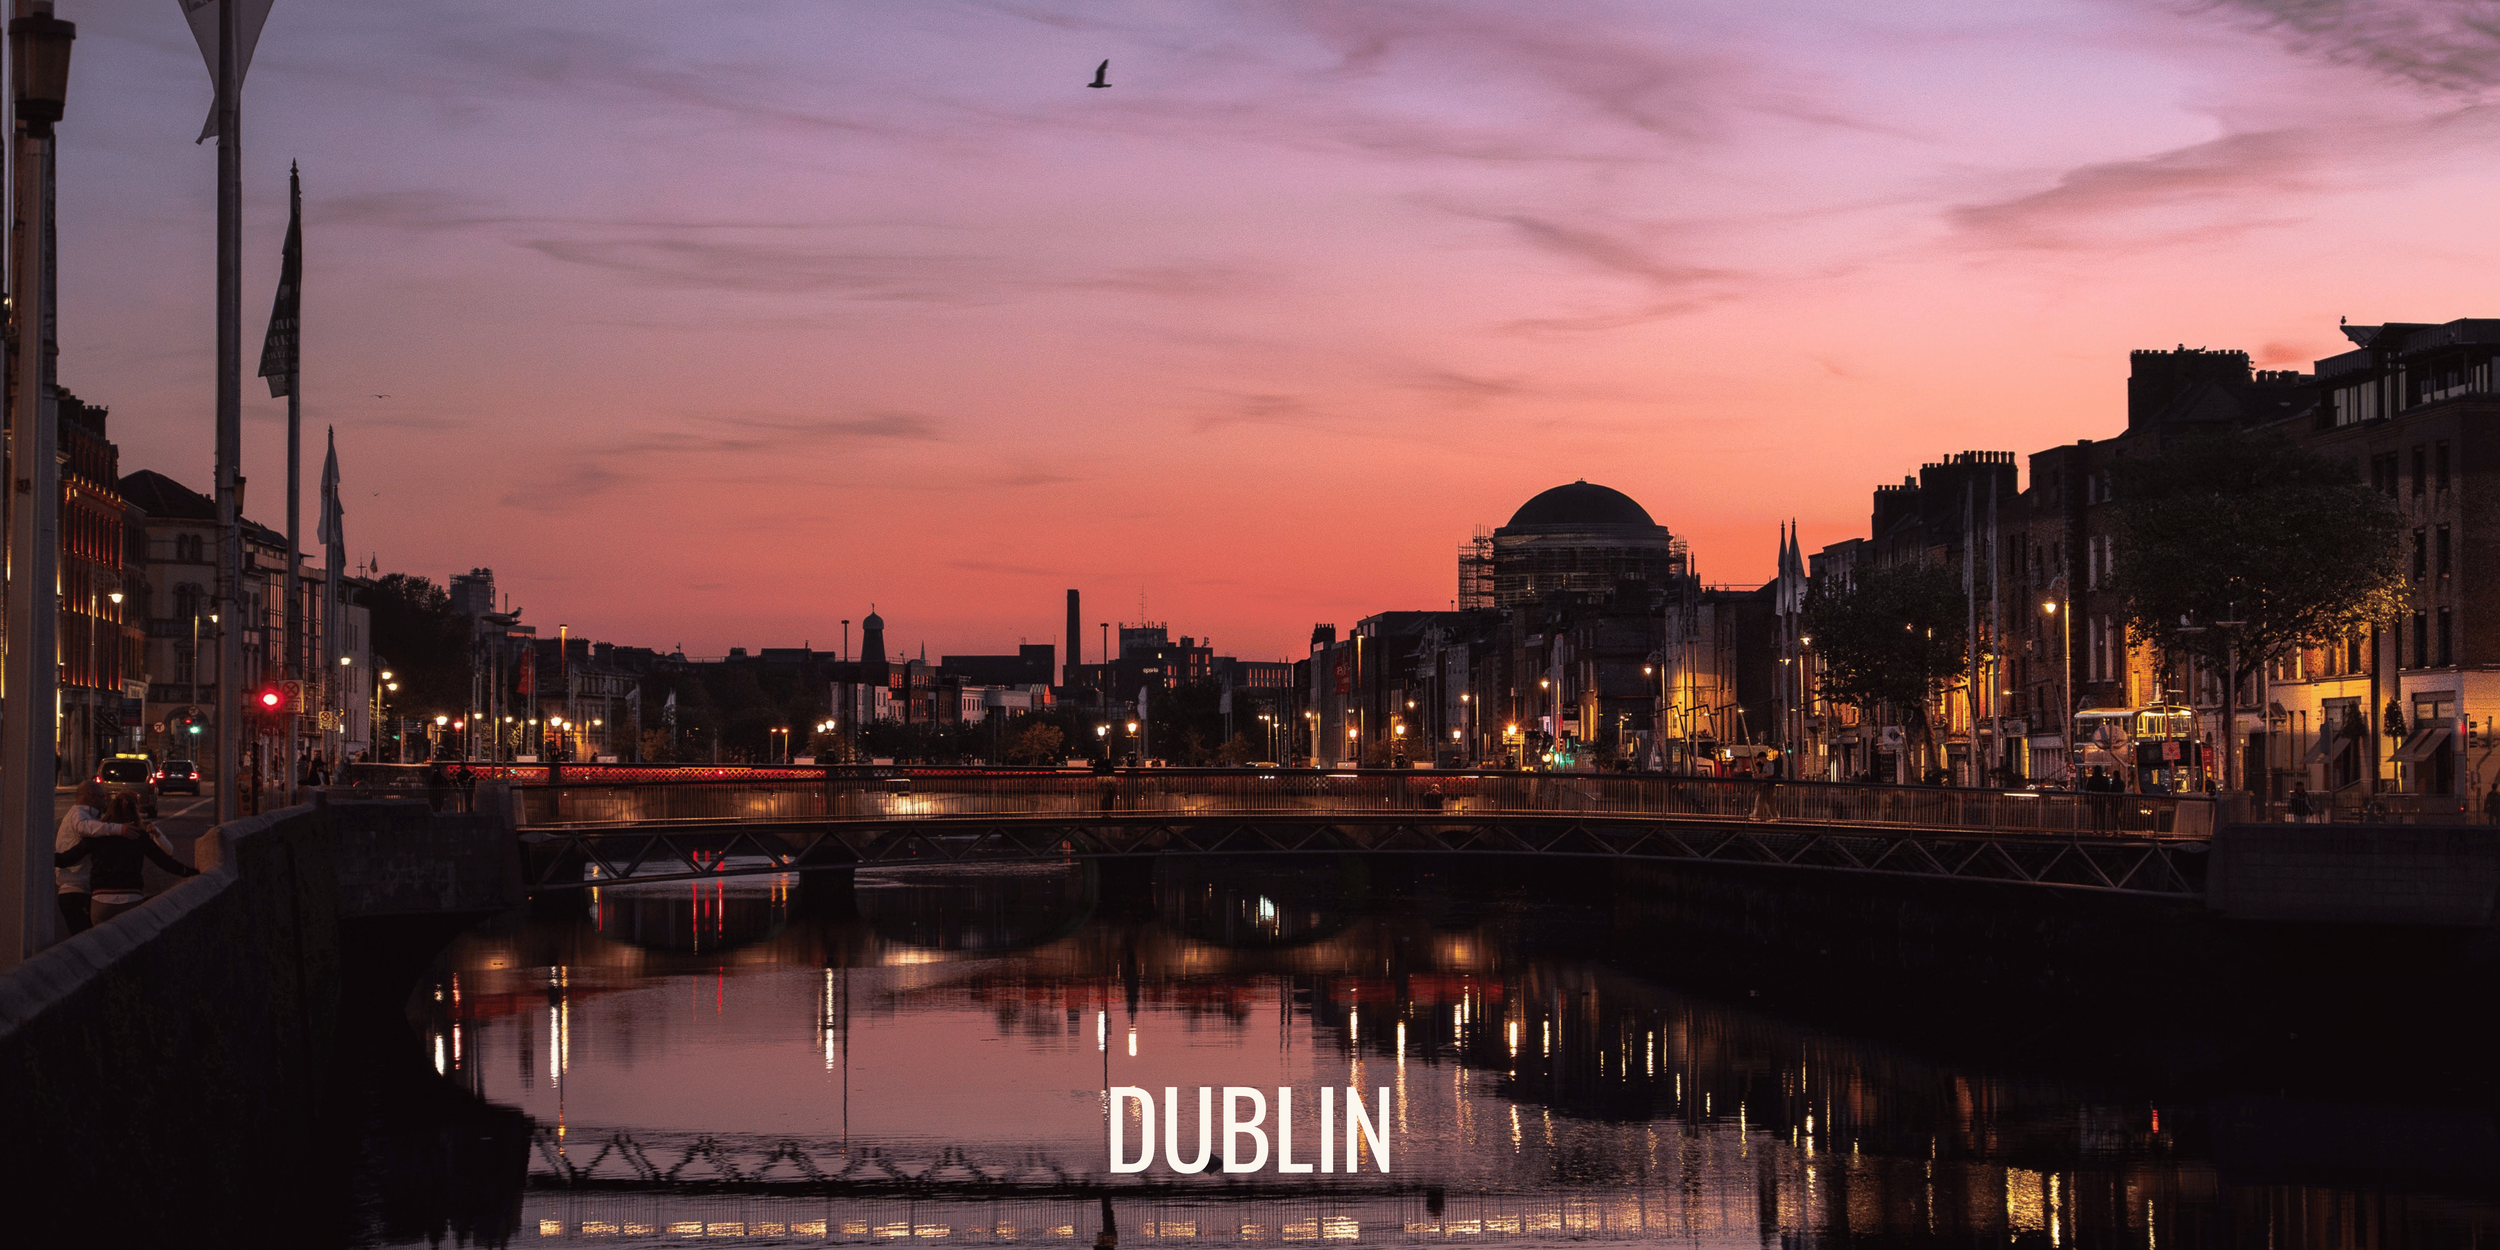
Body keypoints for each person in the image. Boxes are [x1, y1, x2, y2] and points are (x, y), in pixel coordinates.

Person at [56, 793, 196, 926]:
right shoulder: (138, 836)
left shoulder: (97, 837)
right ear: (134, 813)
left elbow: (67, 859)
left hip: (101, 901)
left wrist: (44, 855)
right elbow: (164, 861)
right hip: (131, 898)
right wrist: (189, 871)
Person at [53, 779, 136, 936]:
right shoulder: (79, 814)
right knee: (87, 940)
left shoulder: (87, 817)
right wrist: (118, 829)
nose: (104, 801)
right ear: (91, 796)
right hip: (74, 889)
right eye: (102, 797)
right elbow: (84, 828)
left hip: (78, 889)